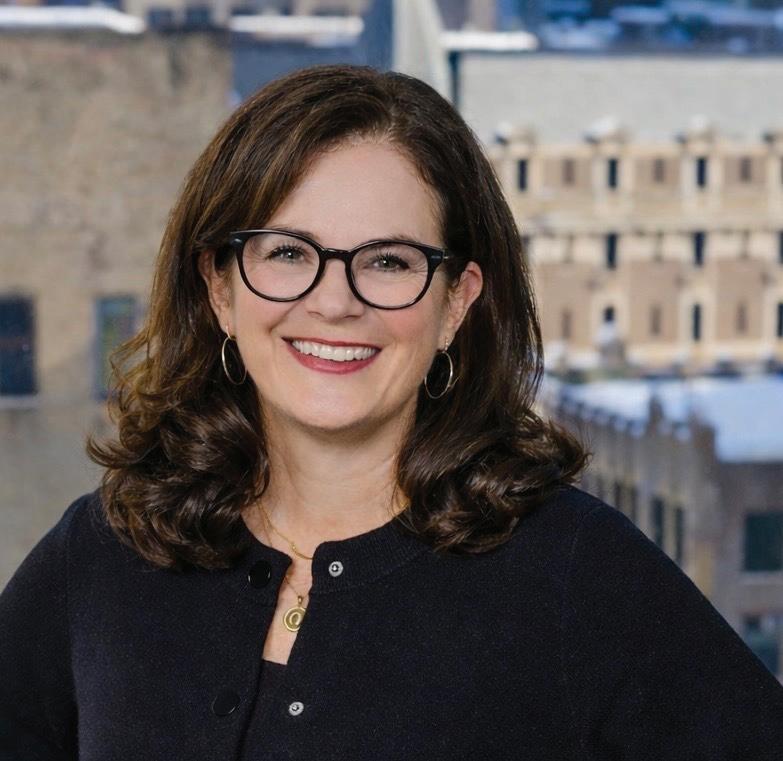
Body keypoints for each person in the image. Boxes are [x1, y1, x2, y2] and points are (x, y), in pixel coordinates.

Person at [1, 63, 781, 760]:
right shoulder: (107, 550)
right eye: (287, 252)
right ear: (220, 288)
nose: (334, 301)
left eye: (387, 261)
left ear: (455, 303)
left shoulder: (575, 574)